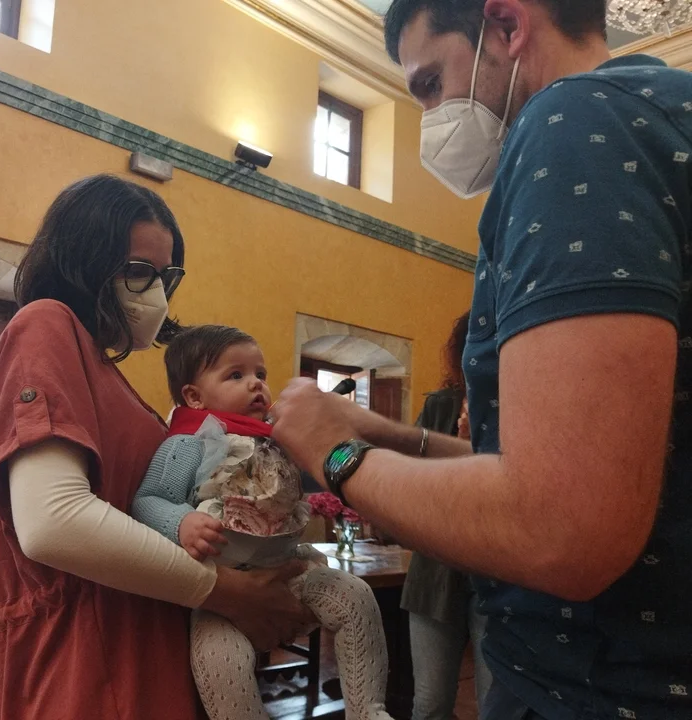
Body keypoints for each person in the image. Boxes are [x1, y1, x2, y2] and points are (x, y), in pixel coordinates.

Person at [270, 2, 692, 718]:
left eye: (432, 83)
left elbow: (562, 524)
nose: (432, 119)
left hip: (597, 689)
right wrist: (391, 436)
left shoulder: (573, 123)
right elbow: (579, 461)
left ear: (507, 25)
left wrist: (336, 455)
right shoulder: (660, 110)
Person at [0, 175, 313, 720]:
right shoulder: (45, 324)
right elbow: (54, 521)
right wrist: (227, 591)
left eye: (165, 275)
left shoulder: (105, 372)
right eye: (138, 271)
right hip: (88, 666)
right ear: (82, 259)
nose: (155, 292)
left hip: (143, 651)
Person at [131, 325, 392, 720]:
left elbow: (315, 476)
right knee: (221, 662)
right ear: (194, 396)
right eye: (236, 375)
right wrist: (181, 522)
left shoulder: (275, 440)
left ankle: (368, 710)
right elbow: (149, 499)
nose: (256, 384)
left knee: (356, 598)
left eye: (260, 374)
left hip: (291, 570)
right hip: (222, 588)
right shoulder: (189, 442)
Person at [400, 312, 491, 720]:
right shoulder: (440, 406)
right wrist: (459, 445)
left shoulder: (521, 408)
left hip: (497, 574)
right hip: (435, 573)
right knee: (430, 702)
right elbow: (411, 484)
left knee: (495, 704)